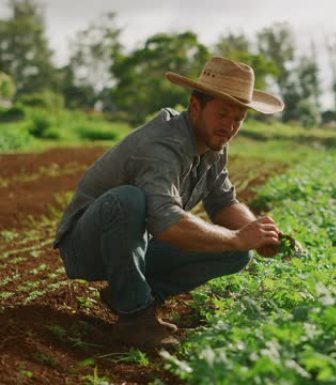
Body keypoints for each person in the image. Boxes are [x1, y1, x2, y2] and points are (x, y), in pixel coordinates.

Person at [53, 57, 284, 348]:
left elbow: (223, 202)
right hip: (88, 245)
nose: (230, 126)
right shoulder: (162, 146)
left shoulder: (214, 145)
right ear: (195, 106)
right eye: (223, 114)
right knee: (128, 199)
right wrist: (237, 237)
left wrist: (255, 232)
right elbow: (167, 224)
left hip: (136, 245)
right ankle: (135, 319)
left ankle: (134, 297)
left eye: (239, 118)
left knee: (236, 253)